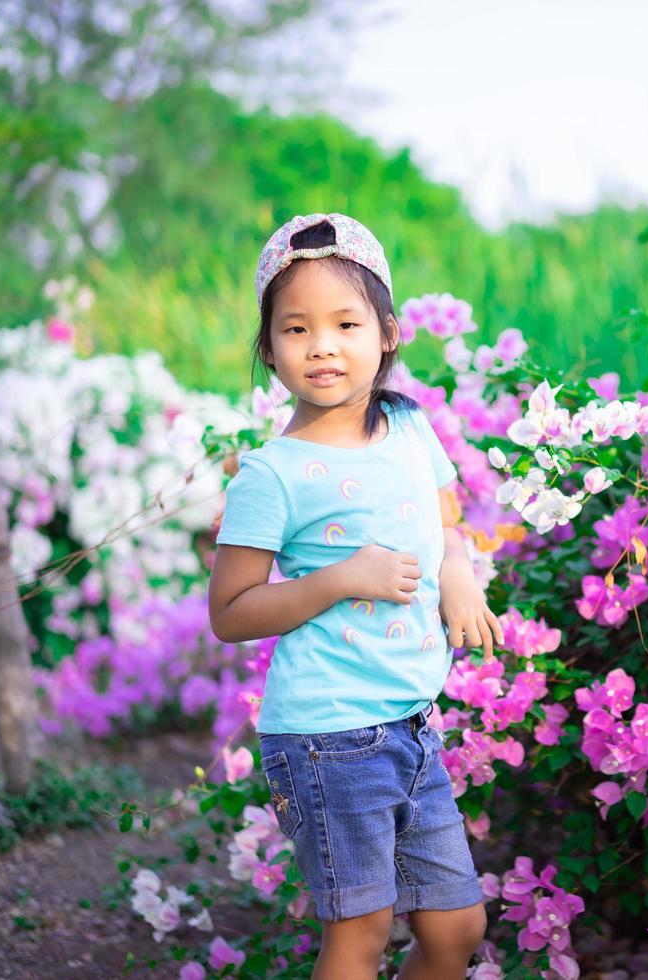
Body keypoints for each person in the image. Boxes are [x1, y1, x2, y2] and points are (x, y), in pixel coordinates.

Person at [208, 212, 500, 980]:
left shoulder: (408, 428)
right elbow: (231, 613)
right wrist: (340, 579)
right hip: (326, 735)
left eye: (345, 323)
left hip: (409, 723)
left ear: (389, 334)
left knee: (455, 929)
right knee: (361, 931)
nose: (323, 345)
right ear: (269, 350)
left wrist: (458, 573)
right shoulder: (271, 474)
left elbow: (446, 522)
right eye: (296, 328)